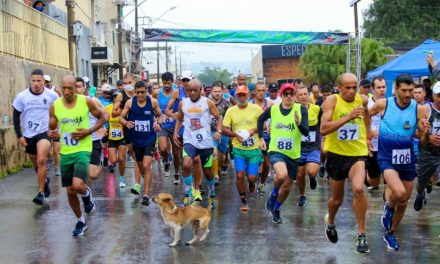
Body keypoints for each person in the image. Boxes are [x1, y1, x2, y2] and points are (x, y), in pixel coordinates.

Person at [370, 74, 429, 251]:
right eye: (404, 90)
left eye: (411, 91)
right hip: (387, 156)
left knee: (403, 201)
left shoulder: (419, 109)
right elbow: (366, 114)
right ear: (395, 89)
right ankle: (388, 208)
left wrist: (425, 132)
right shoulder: (383, 104)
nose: (408, 94)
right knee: (399, 191)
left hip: (407, 158)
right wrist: (366, 135)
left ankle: (390, 232)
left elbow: (423, 141)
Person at [48, 75, 106, 236]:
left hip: (83, 149)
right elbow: (51, 127)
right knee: (71, 191)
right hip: (66, 152)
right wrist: (52, 133)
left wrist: (88, 131)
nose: (66, 92)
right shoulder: (55, 106)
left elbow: (103, 117)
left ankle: (86, 194)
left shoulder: (86, 102)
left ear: (76, 88)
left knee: (77, 185)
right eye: (63, 88)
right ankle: (81, 221)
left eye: (70, 88)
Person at [320, 73, 371, 253]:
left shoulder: (363, 100)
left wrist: (368, 136)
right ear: (339, 88)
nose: (351, 91)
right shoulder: (331, 102)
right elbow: (323, 129)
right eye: (347, 88)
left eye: (354, 87)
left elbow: (367, 116)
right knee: (337, 200)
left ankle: (362, 234)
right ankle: (331, 221)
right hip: (336, 155)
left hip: (357, 153)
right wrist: (348, 117)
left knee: (358, 188)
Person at [260, 83, 308, 223]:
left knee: (287, 187)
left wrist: (299, 124)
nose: (288, 96)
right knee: (281, 174)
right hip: (276, 150)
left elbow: (305, 131)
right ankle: (273, 195)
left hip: (293, 153)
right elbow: (260, 119)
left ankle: (276, 208)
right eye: (285, 94)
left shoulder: (300, 109)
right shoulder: (274, 109)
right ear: (281, 96)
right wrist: (261, 138)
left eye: (291, 94)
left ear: (294, 96)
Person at [13, 69, 59, 205]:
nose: (36, 83)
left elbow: (60, 112)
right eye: (33, 81)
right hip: (28, 134)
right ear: (30, 81)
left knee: (41, 160)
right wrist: (19, 136)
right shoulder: (22, 96)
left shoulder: (52, 95)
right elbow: (16, 116)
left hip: (44, 132)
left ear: (44, 82)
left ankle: (40, 193)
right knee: (36, 165)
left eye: (39, 81)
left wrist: (57, 128)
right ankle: (44, 181)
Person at [173, 79, 222, 207]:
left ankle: (211, 193)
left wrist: (219, 131)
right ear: (187, 90)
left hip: (205, 141)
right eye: (190, 90)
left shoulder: (207, 102)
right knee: (187, 163)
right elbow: (179, 119)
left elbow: (218, 117)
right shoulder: (183, 103)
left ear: (201, 90)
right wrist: (175, 133)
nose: (193, 92)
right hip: (190, 139)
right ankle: (188, 194)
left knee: (208, 172)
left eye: (196, 90)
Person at [119, 81, 162, 205]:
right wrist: (126, 123)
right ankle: (147, 184)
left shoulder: (152, 102)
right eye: (138, 92)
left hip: (149, 138)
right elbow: (120, 117)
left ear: (146, 91)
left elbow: (160, 115)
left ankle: (146, 194)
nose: (140, 95)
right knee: (141, 166)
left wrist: (158, 123)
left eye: (143, 92)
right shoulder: (129, 103)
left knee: (147, 164)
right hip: (136, 139)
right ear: (135, 92)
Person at [222, 85, 263, 211]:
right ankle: (243, 201)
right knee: (240, 175)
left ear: (248, 95)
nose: (242, 97)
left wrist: (252, 131)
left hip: (254, 149)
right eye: (239, 95)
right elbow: (224, 129)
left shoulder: (256, 109)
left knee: (251, 177)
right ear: (236, 96)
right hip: (238, 148)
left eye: (244, 94)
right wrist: (235, 134)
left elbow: (264, 126)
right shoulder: (231, 111)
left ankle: (252, 182)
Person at [112, 73, 142, 190]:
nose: (127, 85)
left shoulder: (140, 93)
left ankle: (137, 184)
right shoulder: (121, 95)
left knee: (137, 156)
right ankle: (126, 178)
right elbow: (114, 112)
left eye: (129, 83)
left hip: (140, 128)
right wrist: (124, 111)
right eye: (125, 83)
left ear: (134, 81)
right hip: (126, 128)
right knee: (129, 156)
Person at [414, 82, 440, 211]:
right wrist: (427, 136)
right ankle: (420, 194)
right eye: (439, 96)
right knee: (421, 183)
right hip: (427, 153)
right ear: (433, 96)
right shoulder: (426, 110)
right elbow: (418, 136)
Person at [75, 77, 108, 181]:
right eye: (74, 87)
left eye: (79, 87)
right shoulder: (68, 104)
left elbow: (106, 115)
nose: (76, 89)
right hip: (77, 142)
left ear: (85, 88)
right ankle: (86, 192)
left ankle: (100, 164)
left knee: (93, 175)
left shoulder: (93, 101)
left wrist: (100, 126)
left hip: (93, 140)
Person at [295, 86, 322, 206]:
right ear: (296, 97)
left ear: (308, 95)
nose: (303, 97)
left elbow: (323, 123)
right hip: (298, 148)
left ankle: (312, 178)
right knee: (300, 174)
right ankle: (302, 195)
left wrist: (324, 137)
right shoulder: (293, 110)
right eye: (300, 94)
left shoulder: (316, 109)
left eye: (305, 94)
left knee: (311, 171)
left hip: (313, 147)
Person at [152, 72, 181, 179]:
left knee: (176, 152)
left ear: (172, 82)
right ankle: (166, 161)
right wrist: (155, 119)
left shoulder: (176, 93)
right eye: (164, 83)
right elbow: (152, 105)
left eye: (168, 83)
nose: (166, 85)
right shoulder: (156, 93)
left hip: (175, 125)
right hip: (162, 124)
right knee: (163, 148)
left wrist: (177, 115)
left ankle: (177, 172)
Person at [250, 82, 273, 195]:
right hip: (253, 138)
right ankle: (252, 180)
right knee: (257, 165)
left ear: (266, 91)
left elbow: (276, 119)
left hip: (267, 138)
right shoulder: (250, 104)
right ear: (255, 91)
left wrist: (272, 127)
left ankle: (262, 184)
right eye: (258, 90)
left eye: (263, 90)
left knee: (267, 165)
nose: (261, 93)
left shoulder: (270, 104)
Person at [365, 76, 387, 190]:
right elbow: (361, 124)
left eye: (384, 87)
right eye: (379, 87)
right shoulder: (366, 104)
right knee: (374, 182)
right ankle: (365, 176)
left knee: (388, 176)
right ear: (373, 89)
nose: (382, 90)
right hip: (372, 144)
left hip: (387, 144)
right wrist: (371, 133)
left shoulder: (390, 103)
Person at [209, 81, 231, 186]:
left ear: (222, 92)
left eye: (219, 91)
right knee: (214, 152)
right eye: (215, 91)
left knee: (221, 157)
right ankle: (215, 176)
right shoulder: (207, 102)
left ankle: (217, 168)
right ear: (212, 92)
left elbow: (231, 117)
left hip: (224, 132)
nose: (217, 93)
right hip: (211, 131)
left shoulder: (226, 103)